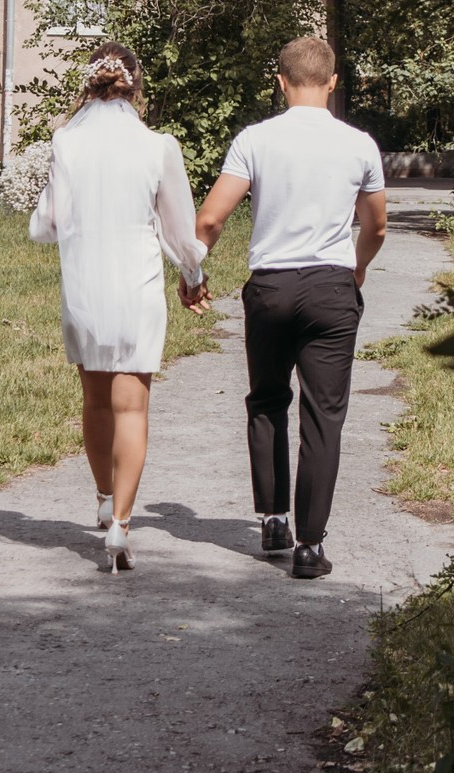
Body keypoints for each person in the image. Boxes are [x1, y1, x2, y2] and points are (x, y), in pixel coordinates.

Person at [187, 36, 387, 579]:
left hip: (270, 288)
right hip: (331, 289)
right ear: (333, 82)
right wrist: (356, 269)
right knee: (324, 416)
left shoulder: (255, 140)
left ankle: (273, 520)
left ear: (280, 82)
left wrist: (192, 273)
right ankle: (309, 546)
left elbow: (210, 219)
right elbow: (376, 226)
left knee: (267, 400)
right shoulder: (359, 145)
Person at [27, 43, 208, 572]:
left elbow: (46, 224)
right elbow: (180, 231)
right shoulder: (159, 146)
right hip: (136, 286)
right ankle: (122, 527)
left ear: (90, 84)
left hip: (84, 286)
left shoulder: (65, 142)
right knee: (132, 408)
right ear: (137, 87)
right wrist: (193, 276)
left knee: (96, 402)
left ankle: (104, 499)